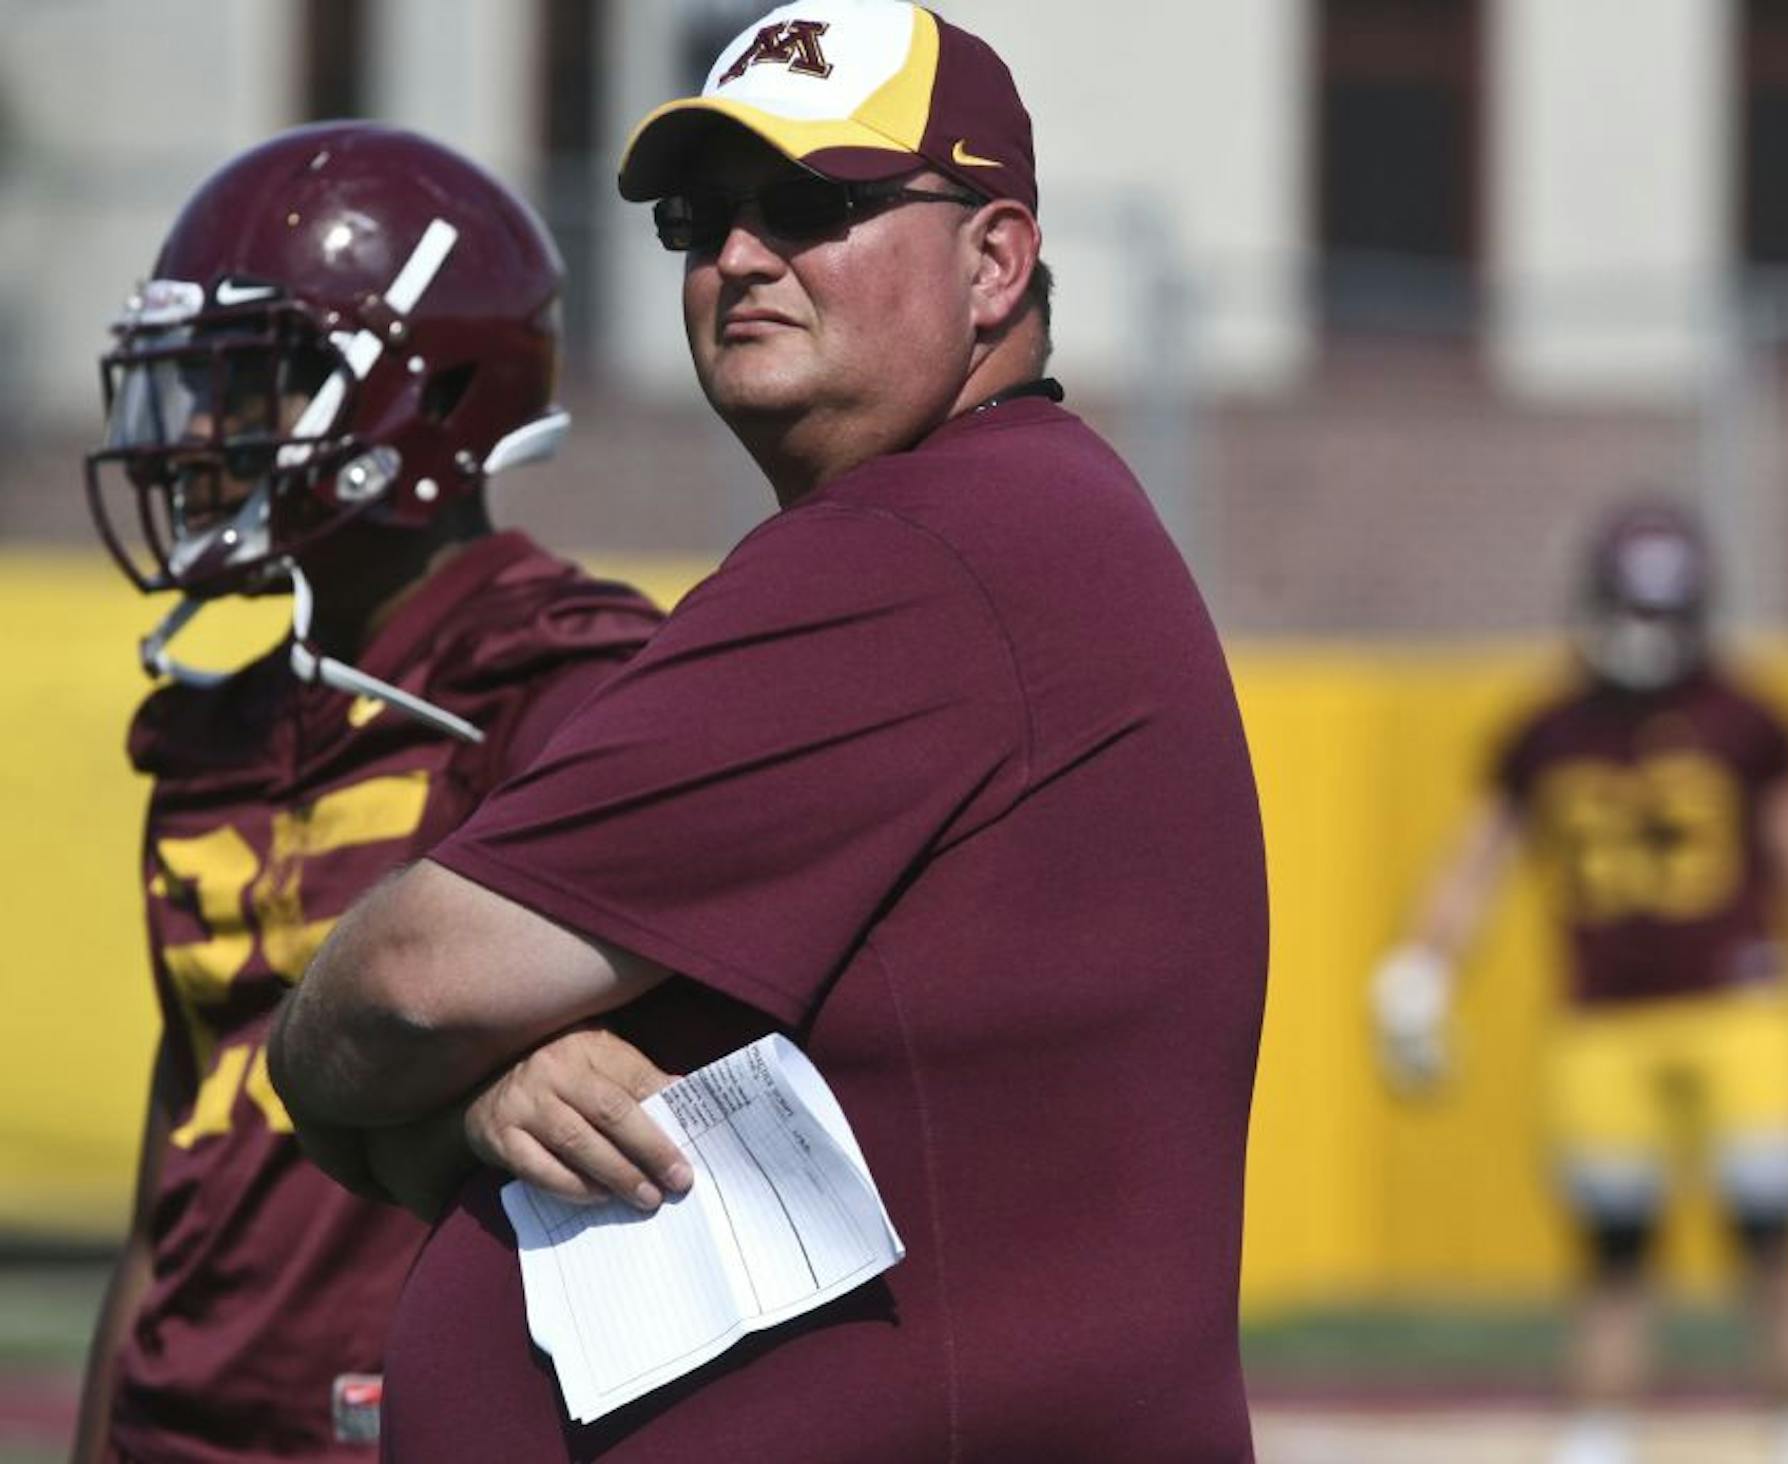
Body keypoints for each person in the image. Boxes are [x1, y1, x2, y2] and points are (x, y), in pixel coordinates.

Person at [267, 3, 1270, 1460]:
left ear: (993, 261)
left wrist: (361, 1063)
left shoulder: (930, 548)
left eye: (811, 205)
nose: (738, 255)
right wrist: (471, 1100)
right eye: (699, 216)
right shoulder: (995, 528)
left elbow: (404, 989)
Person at [70, 122, 663, 1462]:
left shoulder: (561, 681)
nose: (199, 438)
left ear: (417, 399)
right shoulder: (217, 724)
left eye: (252, 384)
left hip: (430, 1416)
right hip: (182, 1418)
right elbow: (182, 1155)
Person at [1368, 500, 1788, 1464]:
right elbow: (1479, 860)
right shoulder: (1546, 729)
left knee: (1772, 1234)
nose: (1647, 636)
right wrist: (1424, 966)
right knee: (1613, 1251)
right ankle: (1600, 1432)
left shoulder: (1745, 720)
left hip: (1741, 1008)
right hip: (1603, 1021)